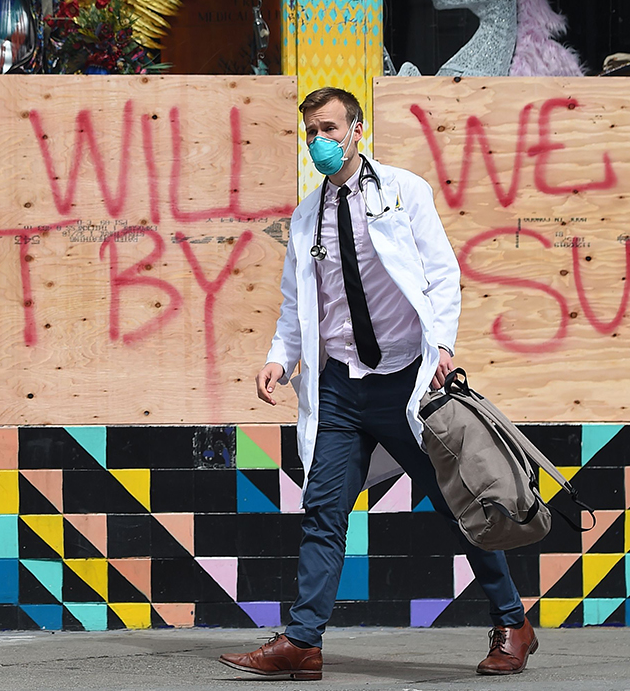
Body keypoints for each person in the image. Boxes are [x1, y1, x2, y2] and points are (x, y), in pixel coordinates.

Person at [217, 87, 537, 681]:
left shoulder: (404, 192)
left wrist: (441, 347)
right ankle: (304, 643)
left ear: (358, 131)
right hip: (340, 386)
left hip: (403, 380)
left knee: (455, 504)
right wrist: (279, 358)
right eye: (311, 131)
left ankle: (513, 621)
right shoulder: (305, 216)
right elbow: (297, 304)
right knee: (323, 508)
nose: (320, 141)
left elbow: (442, 275)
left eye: (330, 129)